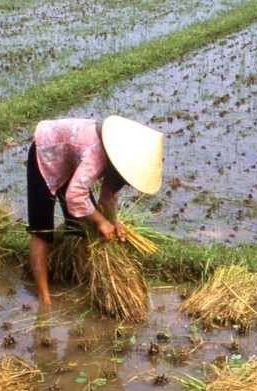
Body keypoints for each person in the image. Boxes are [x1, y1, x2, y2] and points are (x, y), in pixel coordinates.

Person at [26, 116, 164, 305]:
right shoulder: (97, 155)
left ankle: (76, 276)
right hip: (45, 152)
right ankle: (45, 298)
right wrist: (101, 221)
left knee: (82, 228)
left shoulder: (117, 159)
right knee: (42, 230)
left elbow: (108, 195)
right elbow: (75, 197)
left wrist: (112, 220)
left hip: (71, 162)